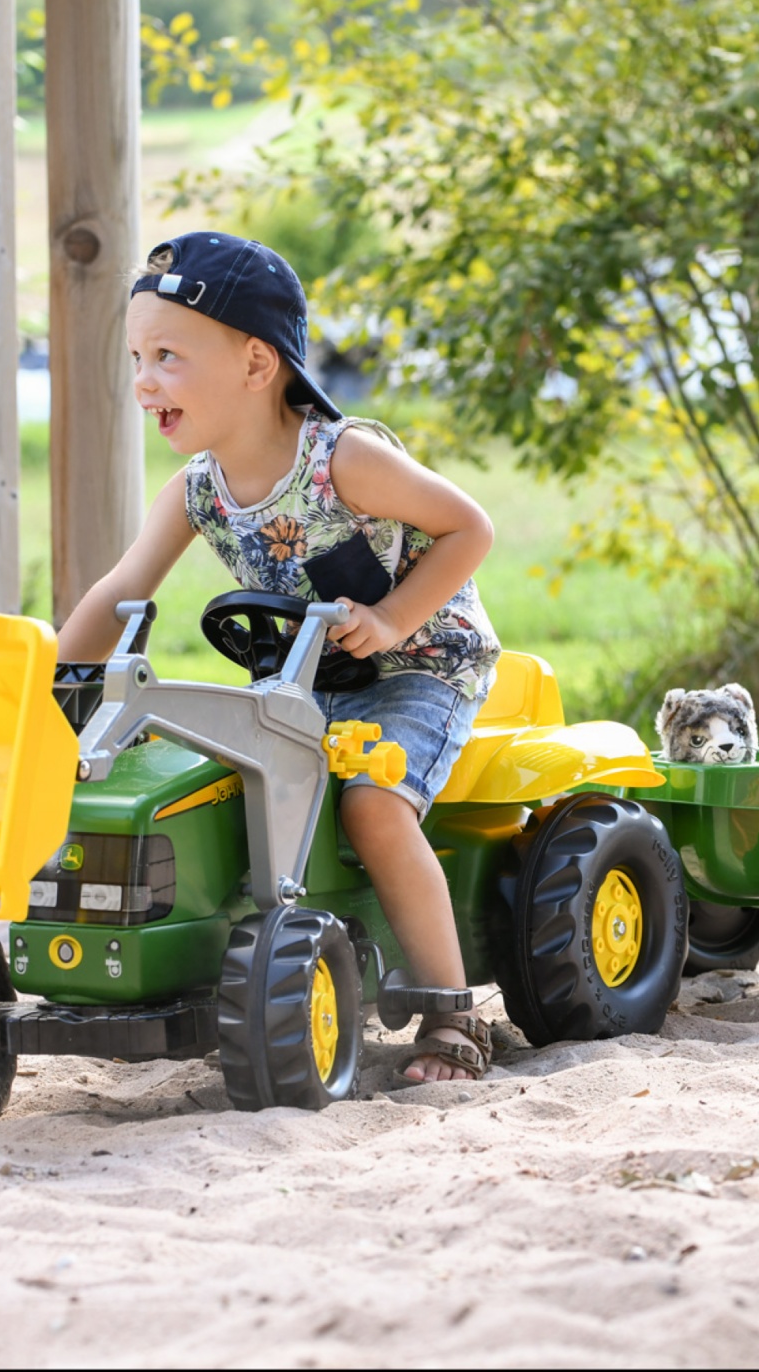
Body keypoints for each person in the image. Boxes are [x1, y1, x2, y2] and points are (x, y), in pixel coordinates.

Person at [57, 231, 502, 1083]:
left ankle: (451, 1015)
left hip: (420, 668)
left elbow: (468, 527)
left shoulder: (344, 461)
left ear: (257, 365)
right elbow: (123, 589)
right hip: (303, 682)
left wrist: (394, 618)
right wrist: (48, 682)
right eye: (137, 358)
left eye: (168, 357)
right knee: (204, 788)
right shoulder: (196, 489)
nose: (144, 381)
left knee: (372, 807)